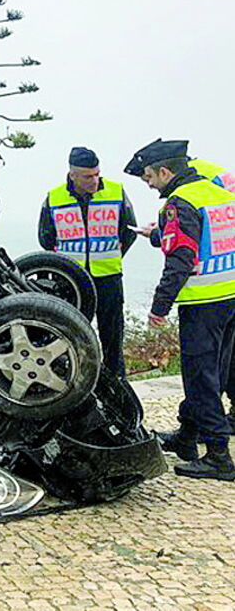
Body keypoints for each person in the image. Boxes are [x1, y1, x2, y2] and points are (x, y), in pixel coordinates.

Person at [125, 139, 235, 480]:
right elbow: (203, 238)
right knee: (220, 369)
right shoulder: (217, 194)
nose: (147, 182)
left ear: (165, 171)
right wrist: (159, 234)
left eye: (148, 176)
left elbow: (182, 260)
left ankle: (218, 455)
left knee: (200, 378)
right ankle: (187, 437)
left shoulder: (180, 202)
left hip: (202, 304)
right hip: (229, 296)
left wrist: (159, 307)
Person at [38, 146, 137, 378]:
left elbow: (129, 231)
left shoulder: (116, 192)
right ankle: (76, 379)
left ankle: (116, 380)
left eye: (97, 174)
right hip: (71, 281)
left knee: (112, 334)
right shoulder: (54, 197)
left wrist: (111, 255)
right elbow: (46, 238)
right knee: (71, 335)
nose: (94, 180)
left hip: (108, 276)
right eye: (87, 176)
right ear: (72, 175)